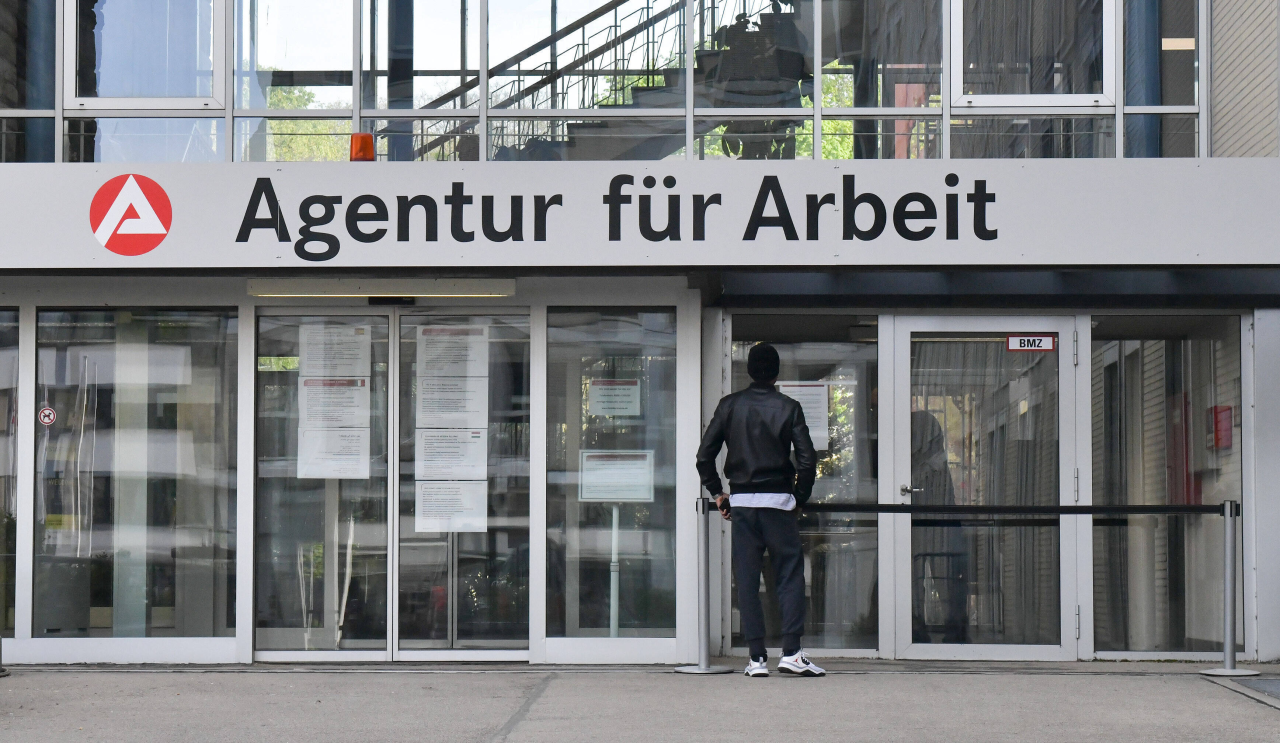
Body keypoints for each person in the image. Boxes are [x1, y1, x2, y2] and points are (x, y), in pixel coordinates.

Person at [695, 342, 823, 677]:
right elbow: (808, 459)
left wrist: (718, 494)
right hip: (779, 503)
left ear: (749, 371)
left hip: (743, 505)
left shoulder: (729, 406)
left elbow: (703, 456)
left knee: (748, 580)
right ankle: (791, 653)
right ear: (776, 372)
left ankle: (756, 658)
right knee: (789, 576)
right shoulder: (789, 407)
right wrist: (799, 496)